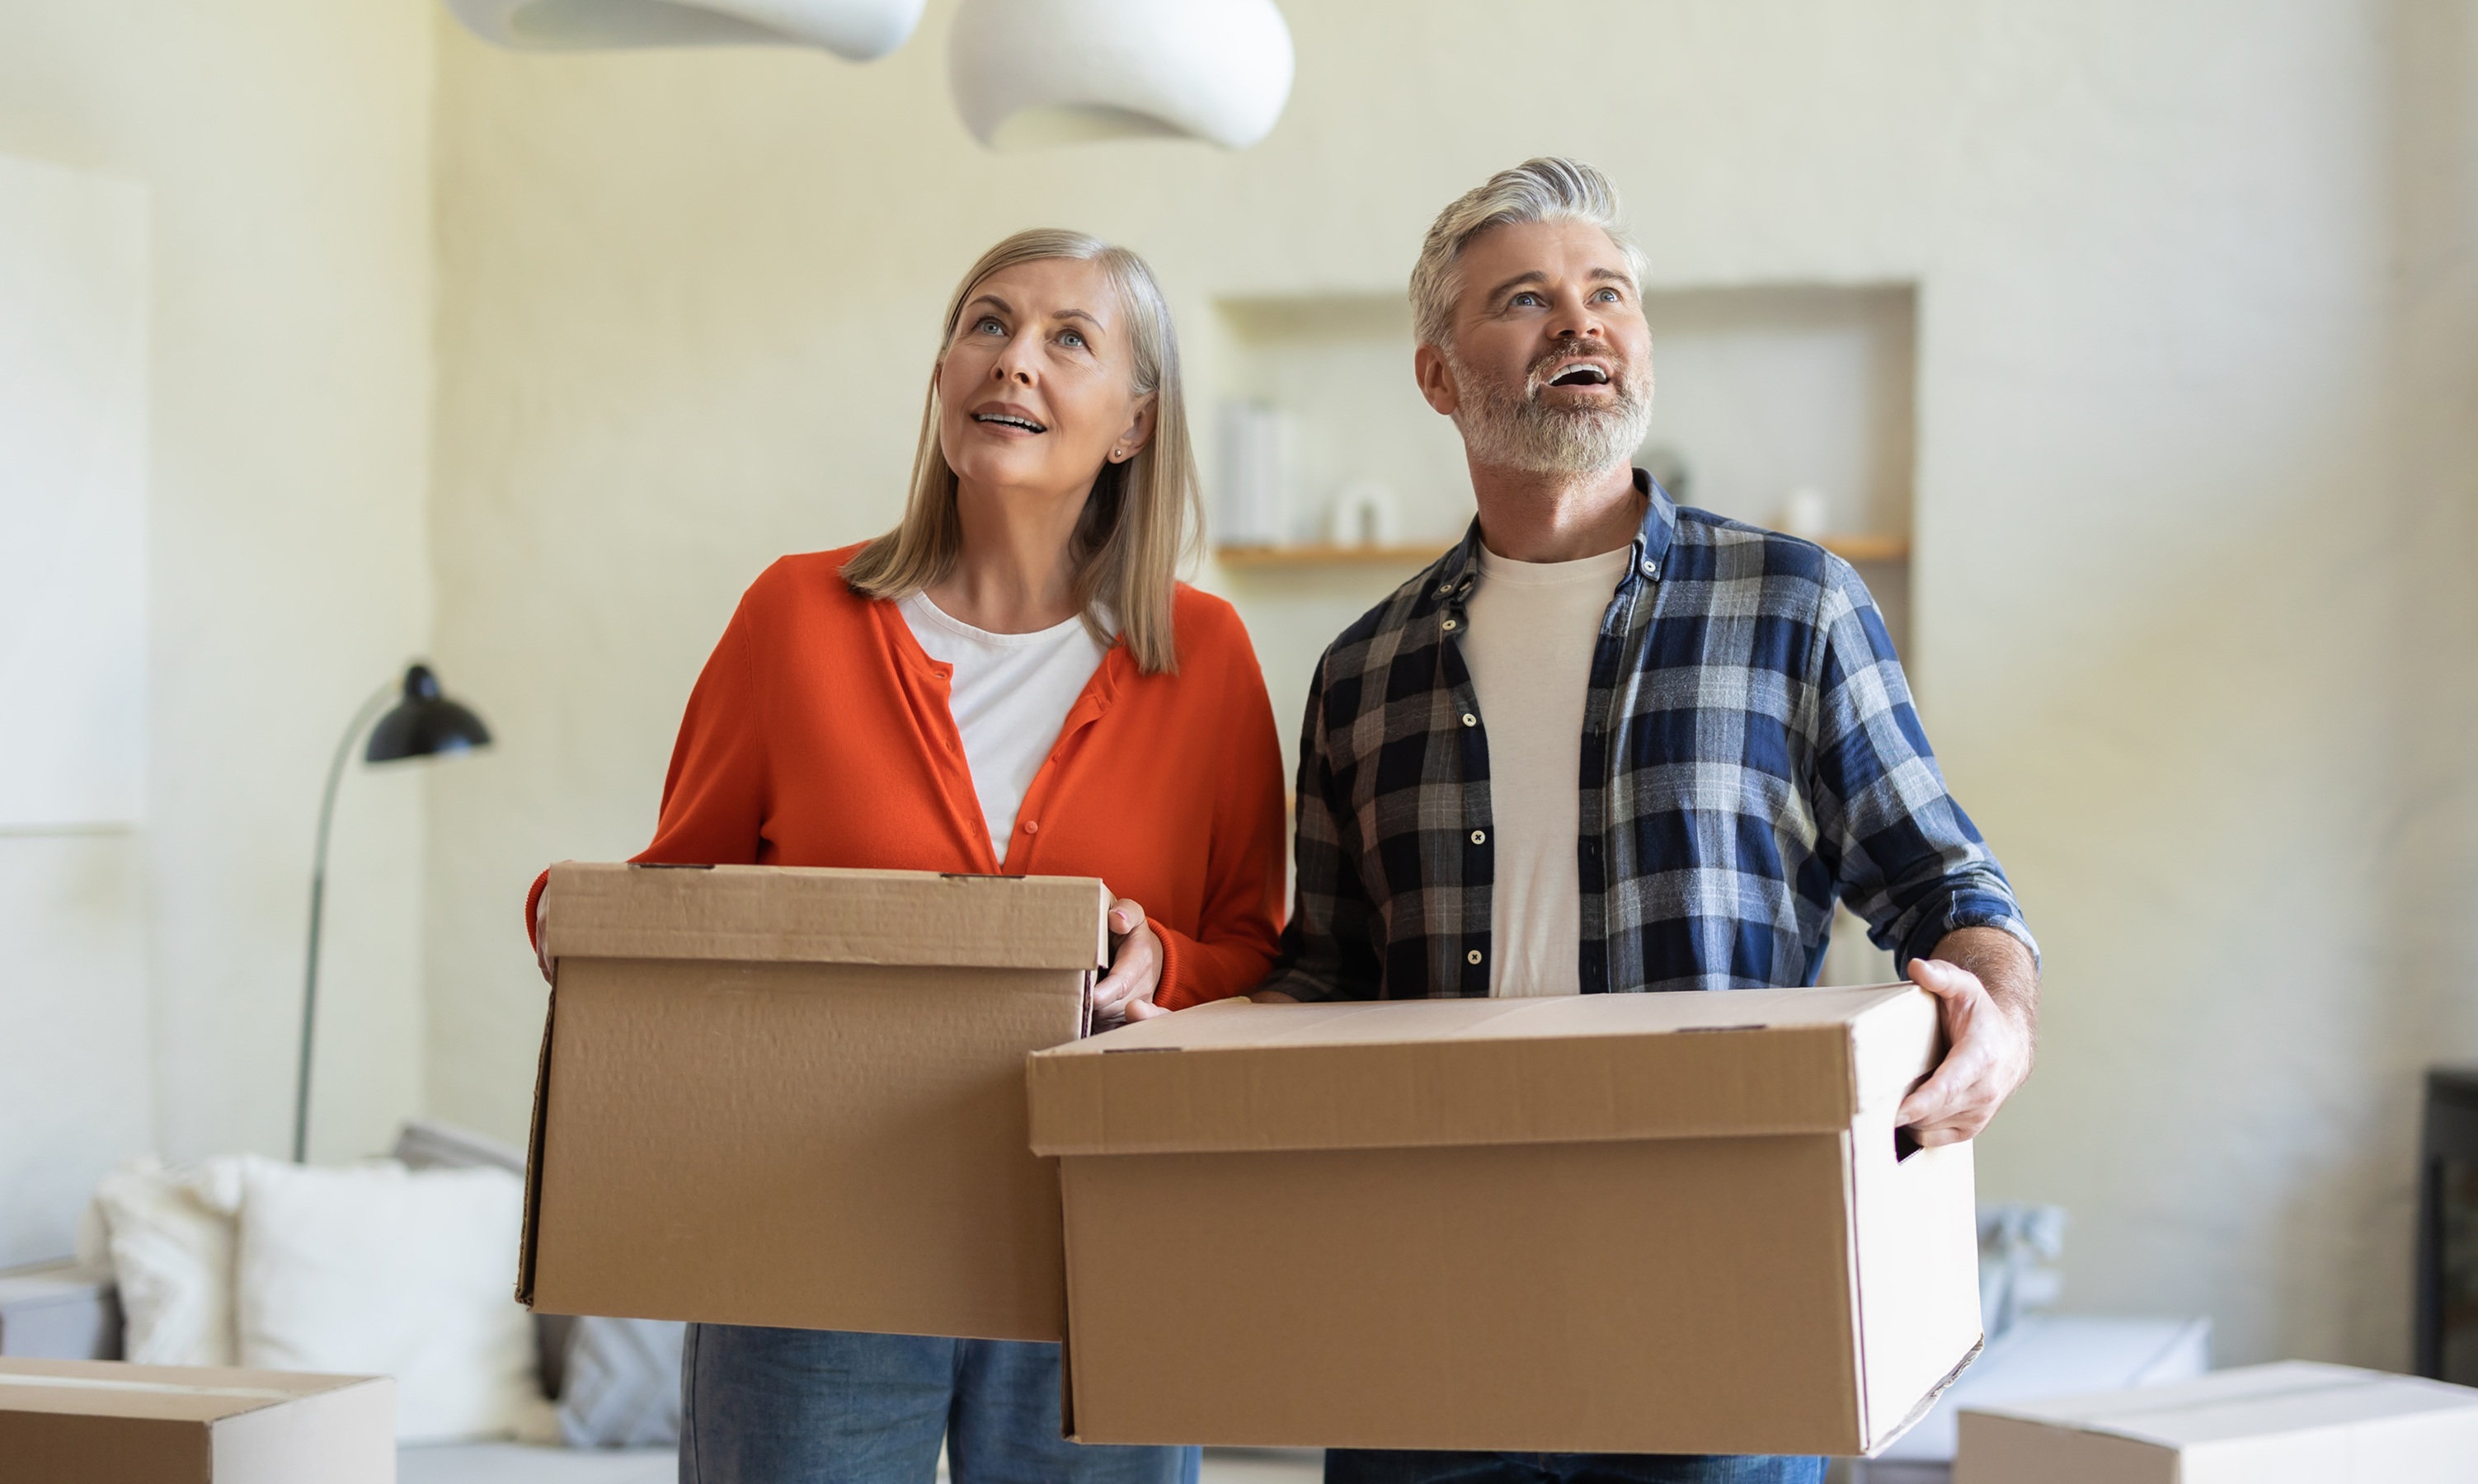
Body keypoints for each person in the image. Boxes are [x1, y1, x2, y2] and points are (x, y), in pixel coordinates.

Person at [1258, 159, 2041, 1484]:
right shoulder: (1362, 669)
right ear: (1440, 377)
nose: (1581, 321)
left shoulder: (1794, 606)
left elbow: (1950, 891)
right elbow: (1320, 985)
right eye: (1525, 299)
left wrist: (1995, 1022)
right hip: (1423, 1329)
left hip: (1725, 1307)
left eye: (1606, 292)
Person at [529, 228, 1286, 1483]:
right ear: (942, 375)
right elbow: (675, 904)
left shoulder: (1204, 658)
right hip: (807, 1233)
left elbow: (1257, 952)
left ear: (1136, 422)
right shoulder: (794, 618)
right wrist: (574, 918)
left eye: (1068, 339)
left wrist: (1166, 962)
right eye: (986, 324)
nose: (1014, 363)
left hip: (1095, 1245)